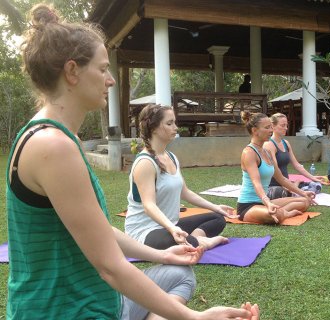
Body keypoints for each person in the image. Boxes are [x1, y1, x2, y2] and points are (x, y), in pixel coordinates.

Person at [6, 4, 258, 319]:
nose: (110, 80)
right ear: (72, 71)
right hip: (69, 310)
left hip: (98, 299)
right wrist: (195, 317)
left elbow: (101, 233)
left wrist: (161, 253)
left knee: (179, 273)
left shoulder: (55, 137)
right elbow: (111, 267)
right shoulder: (53, 147)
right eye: (102, 69)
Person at [126, 104, 238, 251]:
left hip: (170, 225)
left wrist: (215, 207)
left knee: (217, 218)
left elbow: (185, 192)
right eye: (169, 123)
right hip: (144, 231)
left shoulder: (171, 157)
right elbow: (149, 206)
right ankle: (201, 242)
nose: (176, 127)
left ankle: (196, 239)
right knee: (181, 240)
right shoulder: (145, 163)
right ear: (153, 128)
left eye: (174, 122)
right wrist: (172, 228)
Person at [237, 111, 316, 224]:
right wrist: (268, 203)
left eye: (271, 127)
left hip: (265, 202)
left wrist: (303, 193)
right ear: (255, 131)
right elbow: (256, 182)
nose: (271, 130)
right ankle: (283, 213)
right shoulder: (249, 152)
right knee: (275, 215)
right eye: (267, 127)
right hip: (248, 206)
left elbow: (282, 179)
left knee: (305, 201)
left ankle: (282, 212)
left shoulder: (267, 152)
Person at [264, 113, 326, 199]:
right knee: (282, 193)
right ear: (273, 126)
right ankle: (294, 189)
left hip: (287, 184)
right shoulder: (269, 145)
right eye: (282, 125)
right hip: (274, 186)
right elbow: (274, 171)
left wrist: (312, 177)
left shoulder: (286, 143)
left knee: (316, 186)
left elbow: (296, 165)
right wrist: (290, 185)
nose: (286, 128)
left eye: (286, 125)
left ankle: (294, 189)